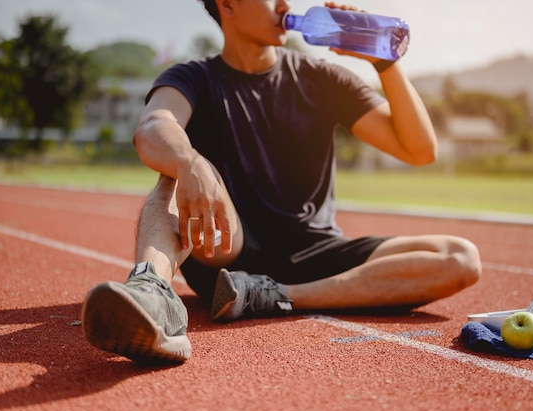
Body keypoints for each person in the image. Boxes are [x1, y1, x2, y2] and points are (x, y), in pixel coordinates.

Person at [81, 0, 482, 364]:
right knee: (171, 175)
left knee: (460, 258)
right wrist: (189, 162)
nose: (286, 5)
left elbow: (419, 149)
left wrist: (385, 63)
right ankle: (152, 291)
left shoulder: (322, 78)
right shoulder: (192, 78)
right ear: (229, 5)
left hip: (316, 250)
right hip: (225, 248)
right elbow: (152, 127)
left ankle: (271, 296)